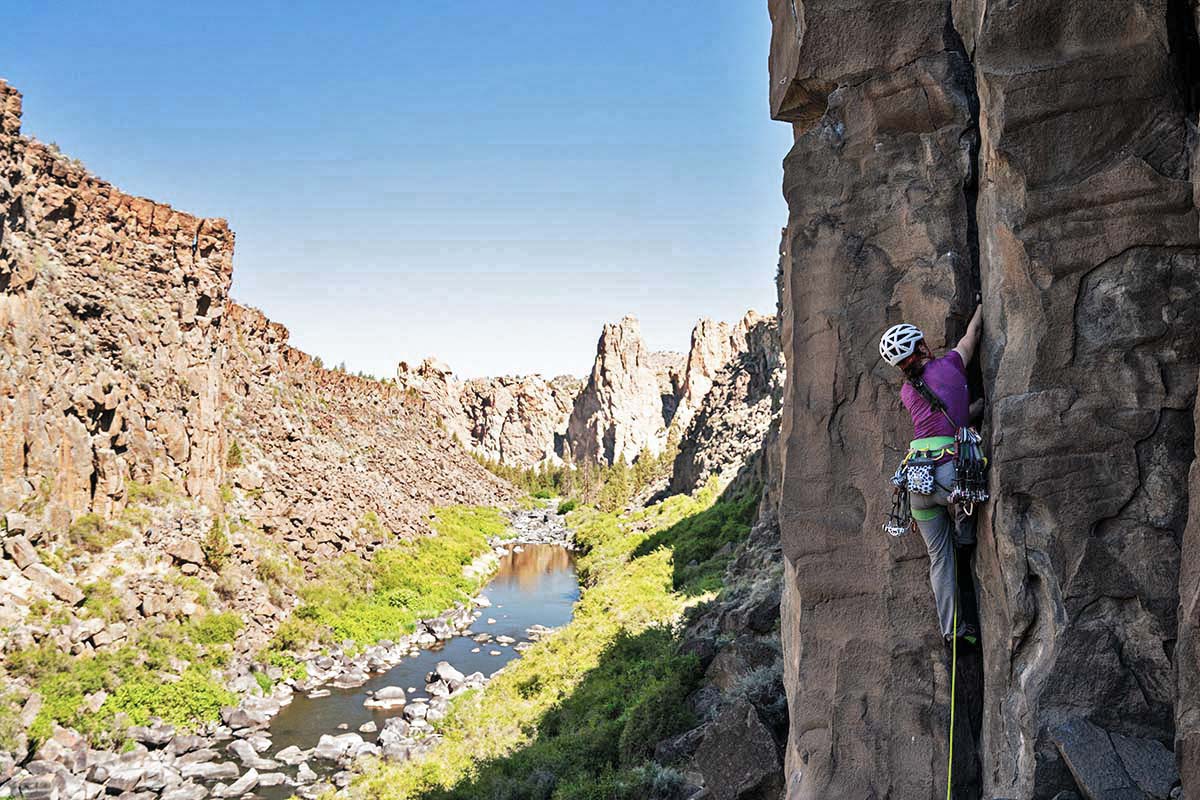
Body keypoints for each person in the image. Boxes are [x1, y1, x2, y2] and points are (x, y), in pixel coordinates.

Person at [879, 305, 982, 645]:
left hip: (916, 482)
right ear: (921, 347)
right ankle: (966, 536)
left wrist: (972, 411)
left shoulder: (908, 392)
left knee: (939, 557)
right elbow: (971, 338)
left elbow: (941, 417)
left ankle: (954, 631)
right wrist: (979, 308)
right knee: (971, 490)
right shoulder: (949, 365)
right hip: (952, 473)